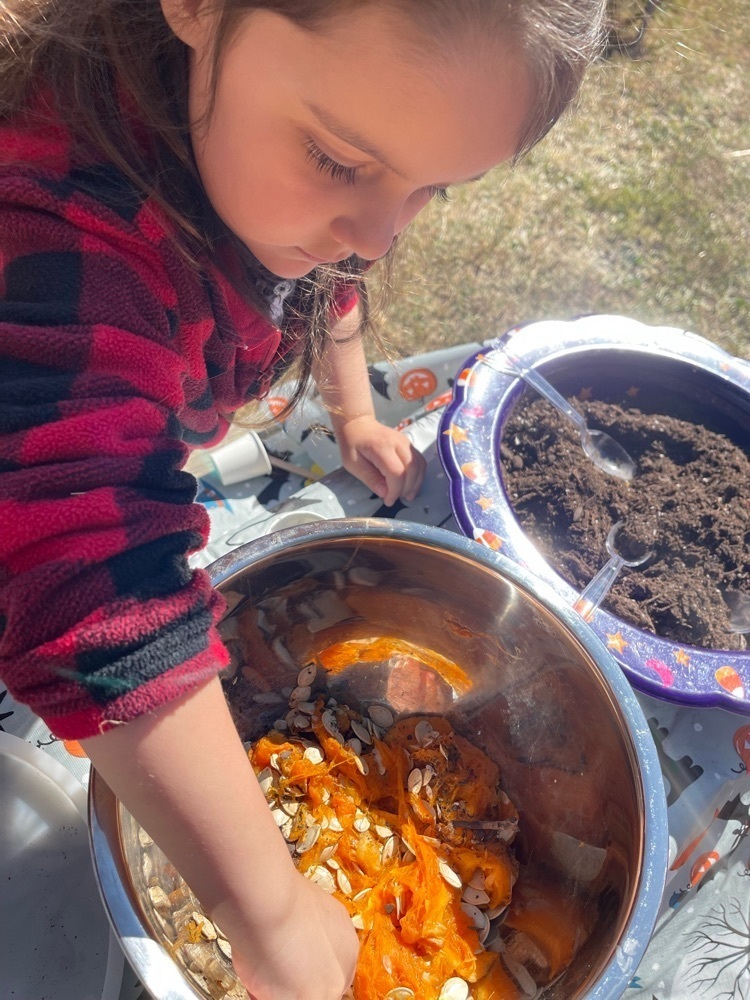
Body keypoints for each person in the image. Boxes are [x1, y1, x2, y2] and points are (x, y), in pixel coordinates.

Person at [0, 1, 606, 997]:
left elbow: (329, 284)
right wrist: (269, 911)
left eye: (432, 190)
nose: (375, 236)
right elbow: (85, 586)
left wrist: (356, 411)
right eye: (336, 159)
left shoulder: (273, 177)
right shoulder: (56, 235)